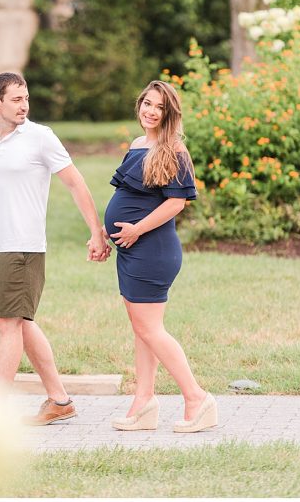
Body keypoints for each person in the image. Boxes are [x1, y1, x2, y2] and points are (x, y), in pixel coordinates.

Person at [0, 72, 109, 426]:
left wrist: (97, 231)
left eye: (27, 98)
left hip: (24, 245)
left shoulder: (40, 137)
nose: (24, 106)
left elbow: (75, 183)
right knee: (20, 323)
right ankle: (60, 400)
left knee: (8, 323)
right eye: (16, 99)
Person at [103, 80, 217, 433]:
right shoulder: (138, 145)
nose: (151, 111)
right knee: (143, 330)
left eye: (159, 107)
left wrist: (136, 229)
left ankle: (197, 398)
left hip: (152, 249)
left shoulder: (175, 150)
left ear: (170, 114)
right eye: (147, 104)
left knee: (150, 329)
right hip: (132, 250)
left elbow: (176, 202)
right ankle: (144, 401)